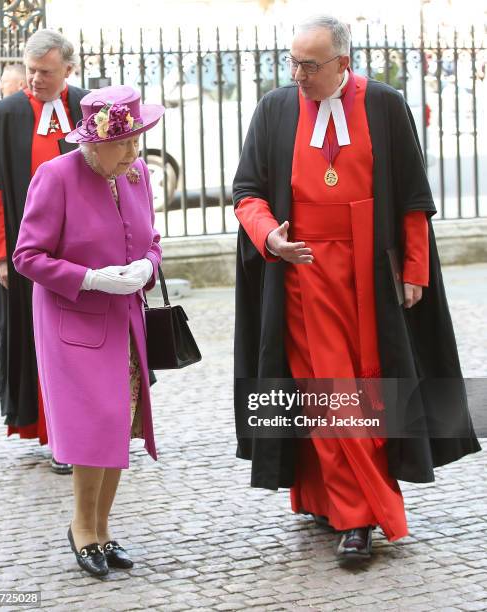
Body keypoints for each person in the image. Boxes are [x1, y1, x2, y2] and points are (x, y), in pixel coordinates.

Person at [232, 14, 480, 561]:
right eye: (293, 62)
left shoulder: (385, 103)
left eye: (310, 65)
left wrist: (415, 269)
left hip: (369, 279)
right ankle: (358, 514)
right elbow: (247, 194)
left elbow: (413, 198)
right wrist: (270, 237)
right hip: (301, 277)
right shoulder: (274, 108)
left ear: (344, 63)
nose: (298, 74)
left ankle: (332, 497)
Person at [13, 85, 164, 577]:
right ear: (93, 144)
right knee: (93, 424)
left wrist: (147, 266)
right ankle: (83, 528)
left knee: (122, 420)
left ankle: (103, 528)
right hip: (72, 323)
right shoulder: (55, 176)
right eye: (125, 143)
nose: (135, 152)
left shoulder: (135, 173)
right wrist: (89, 278)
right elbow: (27, 256)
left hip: (124, 319)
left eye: (138, 140)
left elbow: (152, 241)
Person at [0, 29, 88, 474]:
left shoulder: (87, 106)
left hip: (85, 252)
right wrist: (2, 255)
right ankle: (57, 434)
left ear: (69, 69)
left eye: (45, 71)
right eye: (30, 70)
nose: (35, 79)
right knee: (37, 342)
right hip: (28, 254)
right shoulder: (4, 115)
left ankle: (86, 428)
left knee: (82, 345)